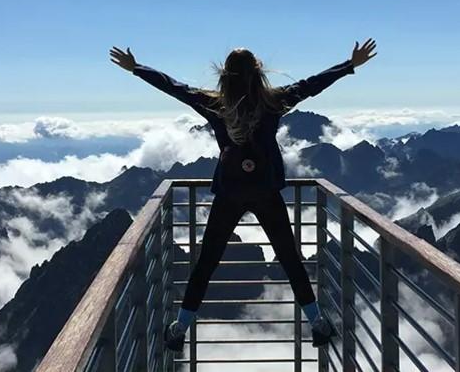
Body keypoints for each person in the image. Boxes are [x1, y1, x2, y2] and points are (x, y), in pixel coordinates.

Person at [108, 39, 377, 352]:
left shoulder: (215, 104)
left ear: (225, 75)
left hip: (230, 193)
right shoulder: (273, 102)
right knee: (290, 258)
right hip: (265, 192)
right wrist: (349, 65)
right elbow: (311, 85)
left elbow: (175, 88)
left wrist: (137, 68)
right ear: (258, 72)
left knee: (206, 261)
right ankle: (317, 322)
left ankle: (180, 327)